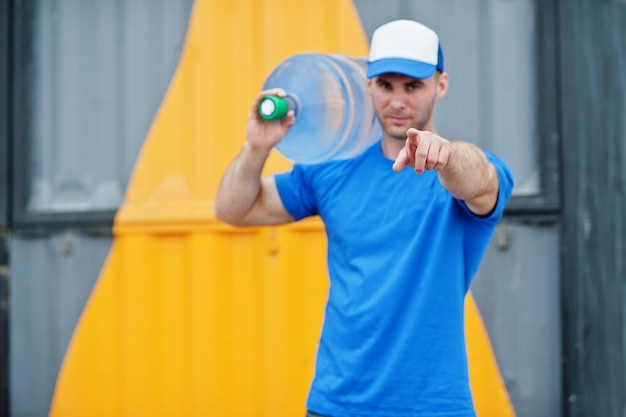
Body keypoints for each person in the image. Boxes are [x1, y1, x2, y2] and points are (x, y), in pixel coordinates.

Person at [214, 19, 514, 417]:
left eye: (413, 86)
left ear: (440, 85)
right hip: (336, 403)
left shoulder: (458, 174)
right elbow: (233, 209)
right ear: (367, 84)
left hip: (432, 406)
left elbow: (479, 180)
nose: (397, 101)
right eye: (385, 85)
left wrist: (446, 155)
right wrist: (256, 148)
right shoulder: (331, 166)